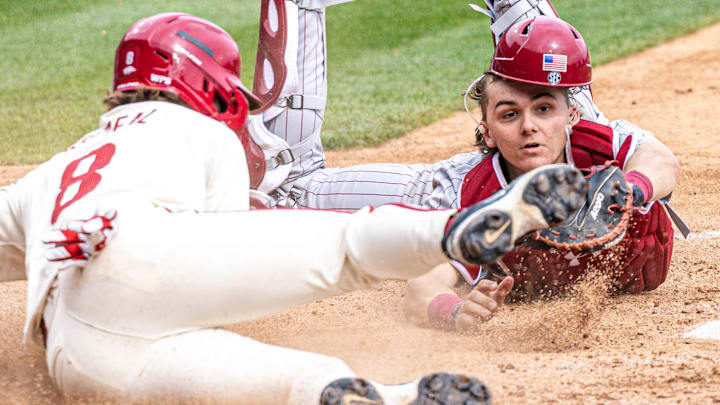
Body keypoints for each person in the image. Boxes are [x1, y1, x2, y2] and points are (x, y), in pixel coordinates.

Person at [0, 11, 591, 404]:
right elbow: (223, 249)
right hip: (158, 259)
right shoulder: (197, 132)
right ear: (205, 87)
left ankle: (386, 396)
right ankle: (450, 231)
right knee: (344, 249)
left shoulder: (50, 173)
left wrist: (52, 241)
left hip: (73, 353)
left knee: (285, 387)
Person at [259, 2, 680, 333]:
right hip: (434, 189)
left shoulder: (600, 146)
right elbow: (421, 287)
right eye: (510, 115)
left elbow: (661, 160)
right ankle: (300, 6)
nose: (529, 127)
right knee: (287, 192)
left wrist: (630, 189)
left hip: (577, 138)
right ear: (488, 131)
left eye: (544, 109)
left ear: (571, 117)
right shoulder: (468, 199)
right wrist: (454, 311)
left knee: (550, 72)